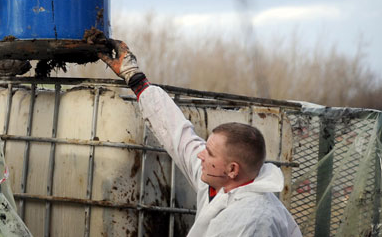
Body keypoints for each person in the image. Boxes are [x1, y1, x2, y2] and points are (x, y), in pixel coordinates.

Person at [100, 40, 302, 237]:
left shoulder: (255, 222)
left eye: (210, 153)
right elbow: (178, 135)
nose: (200, 155)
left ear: (232, 169)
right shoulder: (220, 181)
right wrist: (134, 77)